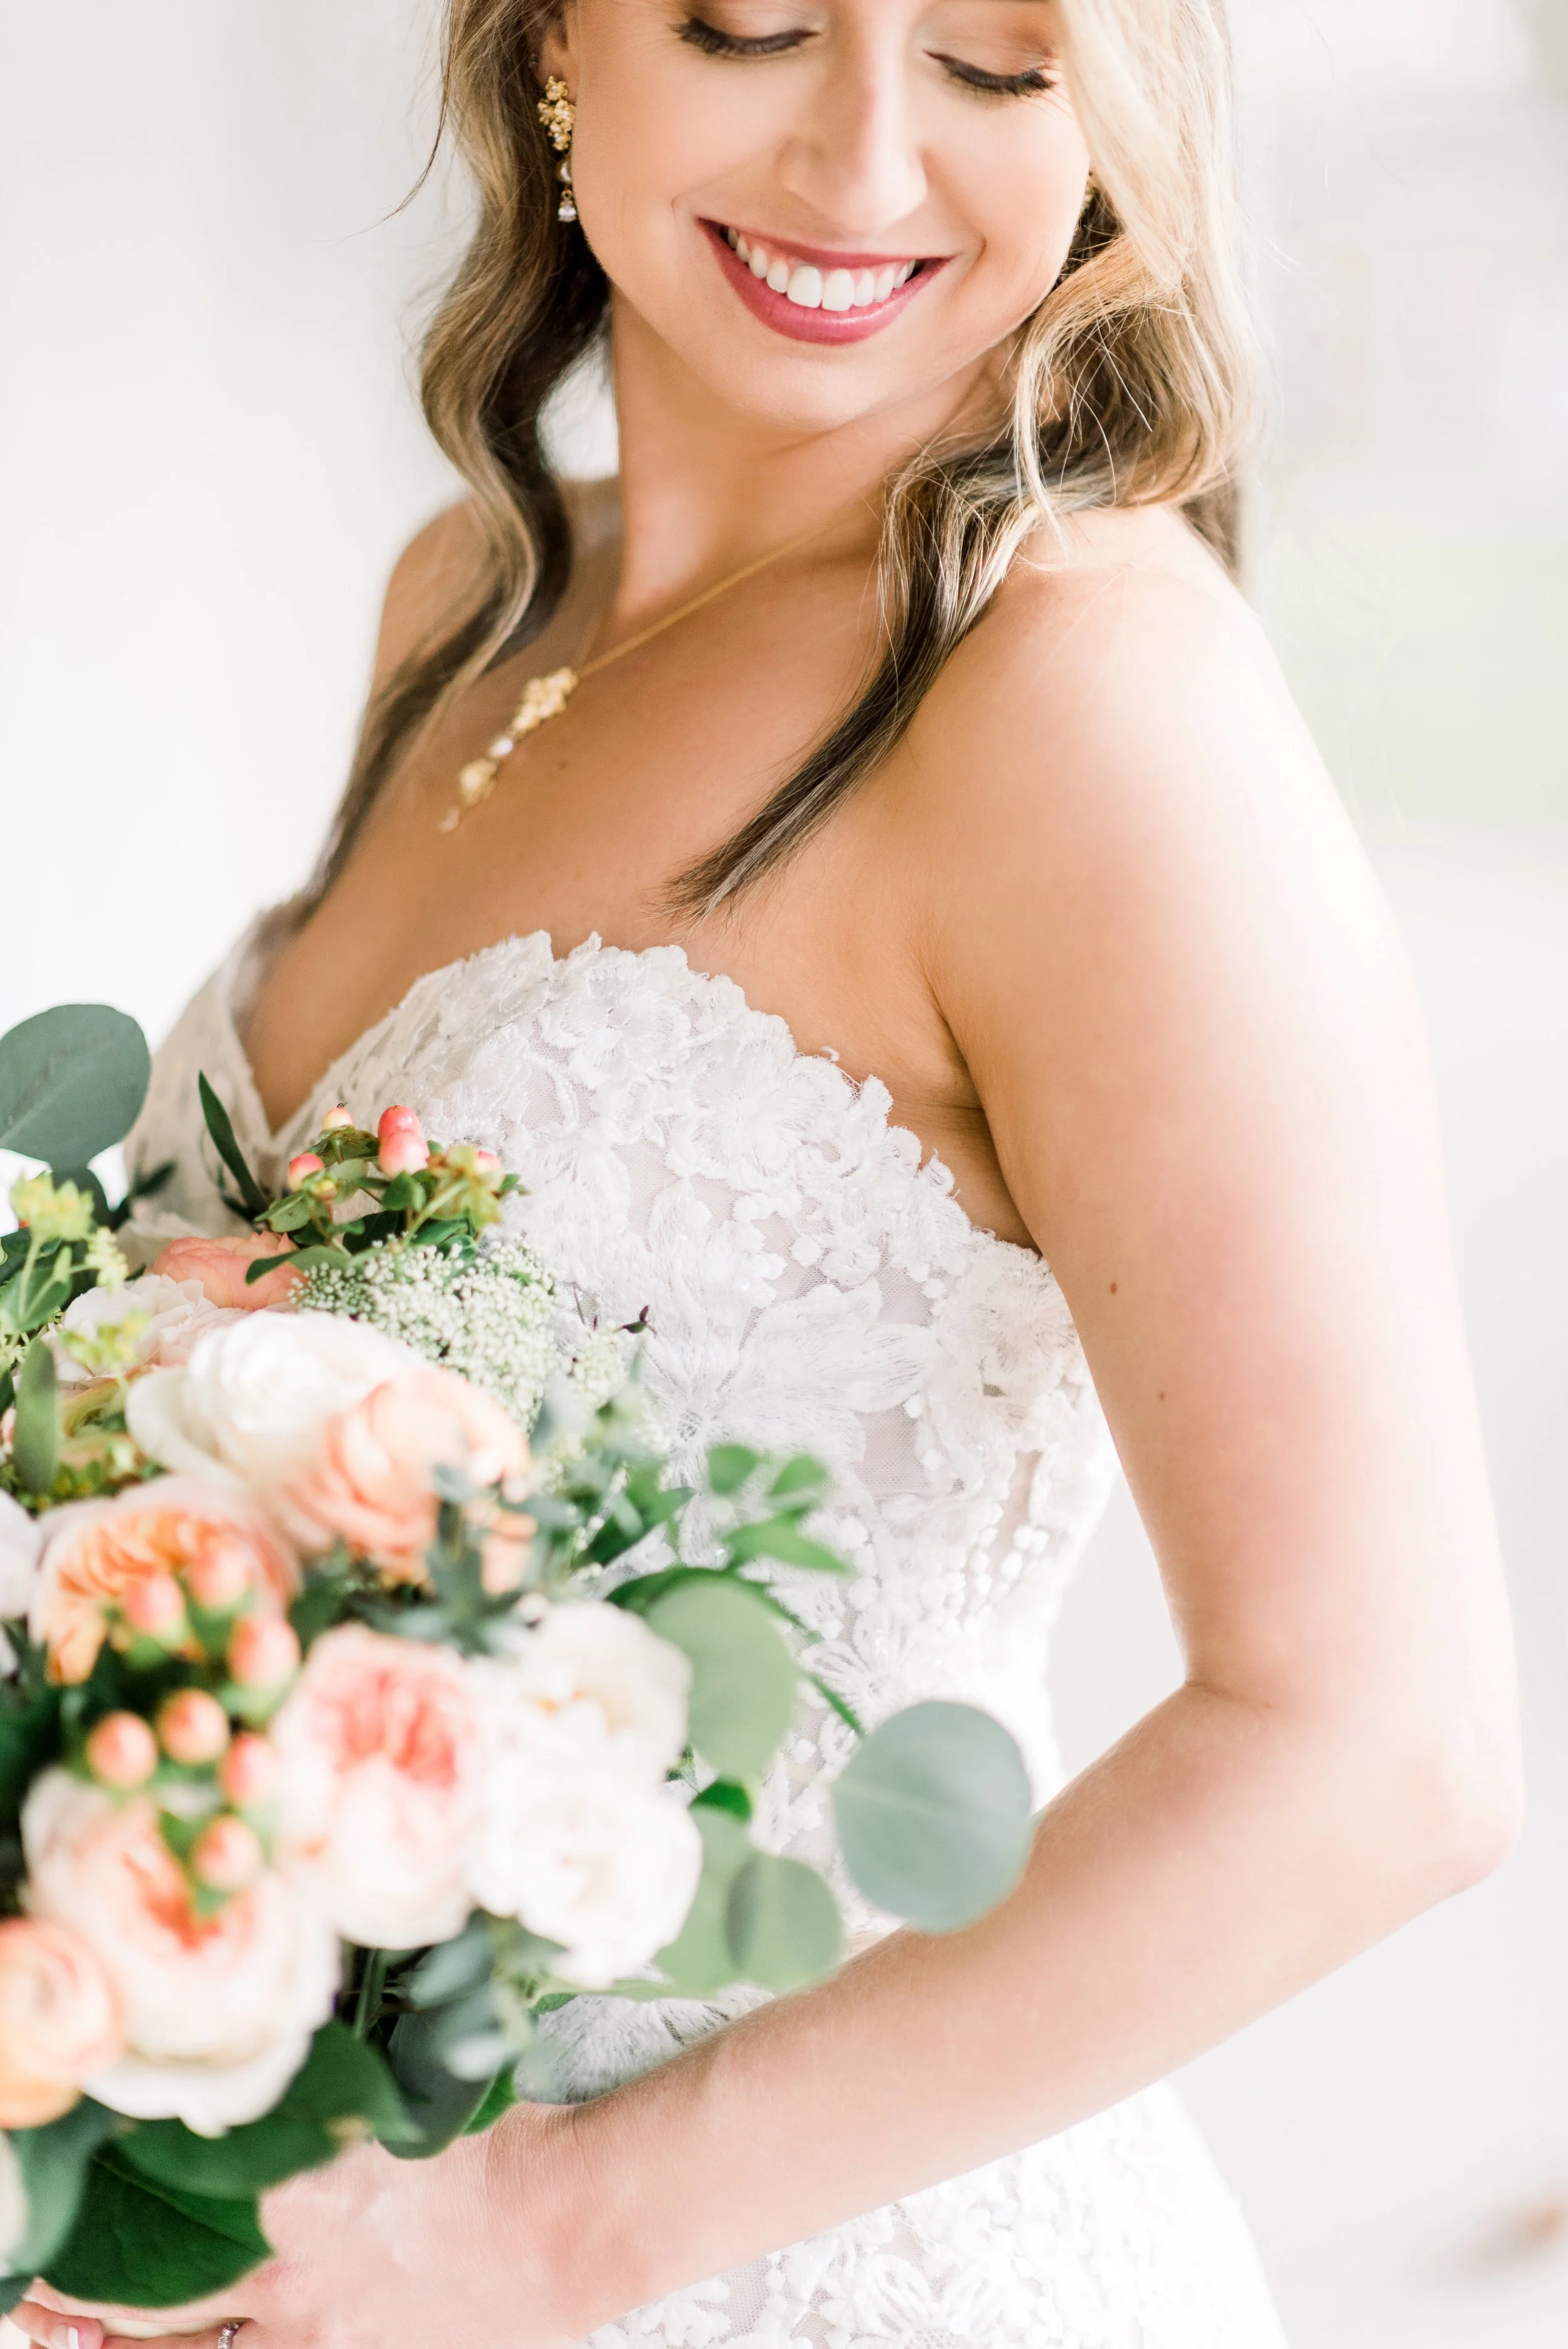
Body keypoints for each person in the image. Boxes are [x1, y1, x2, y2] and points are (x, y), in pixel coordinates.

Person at [14, 0, 1521, 2342]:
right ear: (545, 51)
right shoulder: (468, 601)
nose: (863, 159)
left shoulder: (1080, 698)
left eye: (1002, 69)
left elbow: (1376, 1751)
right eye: (751, 23)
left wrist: (543, 2235)